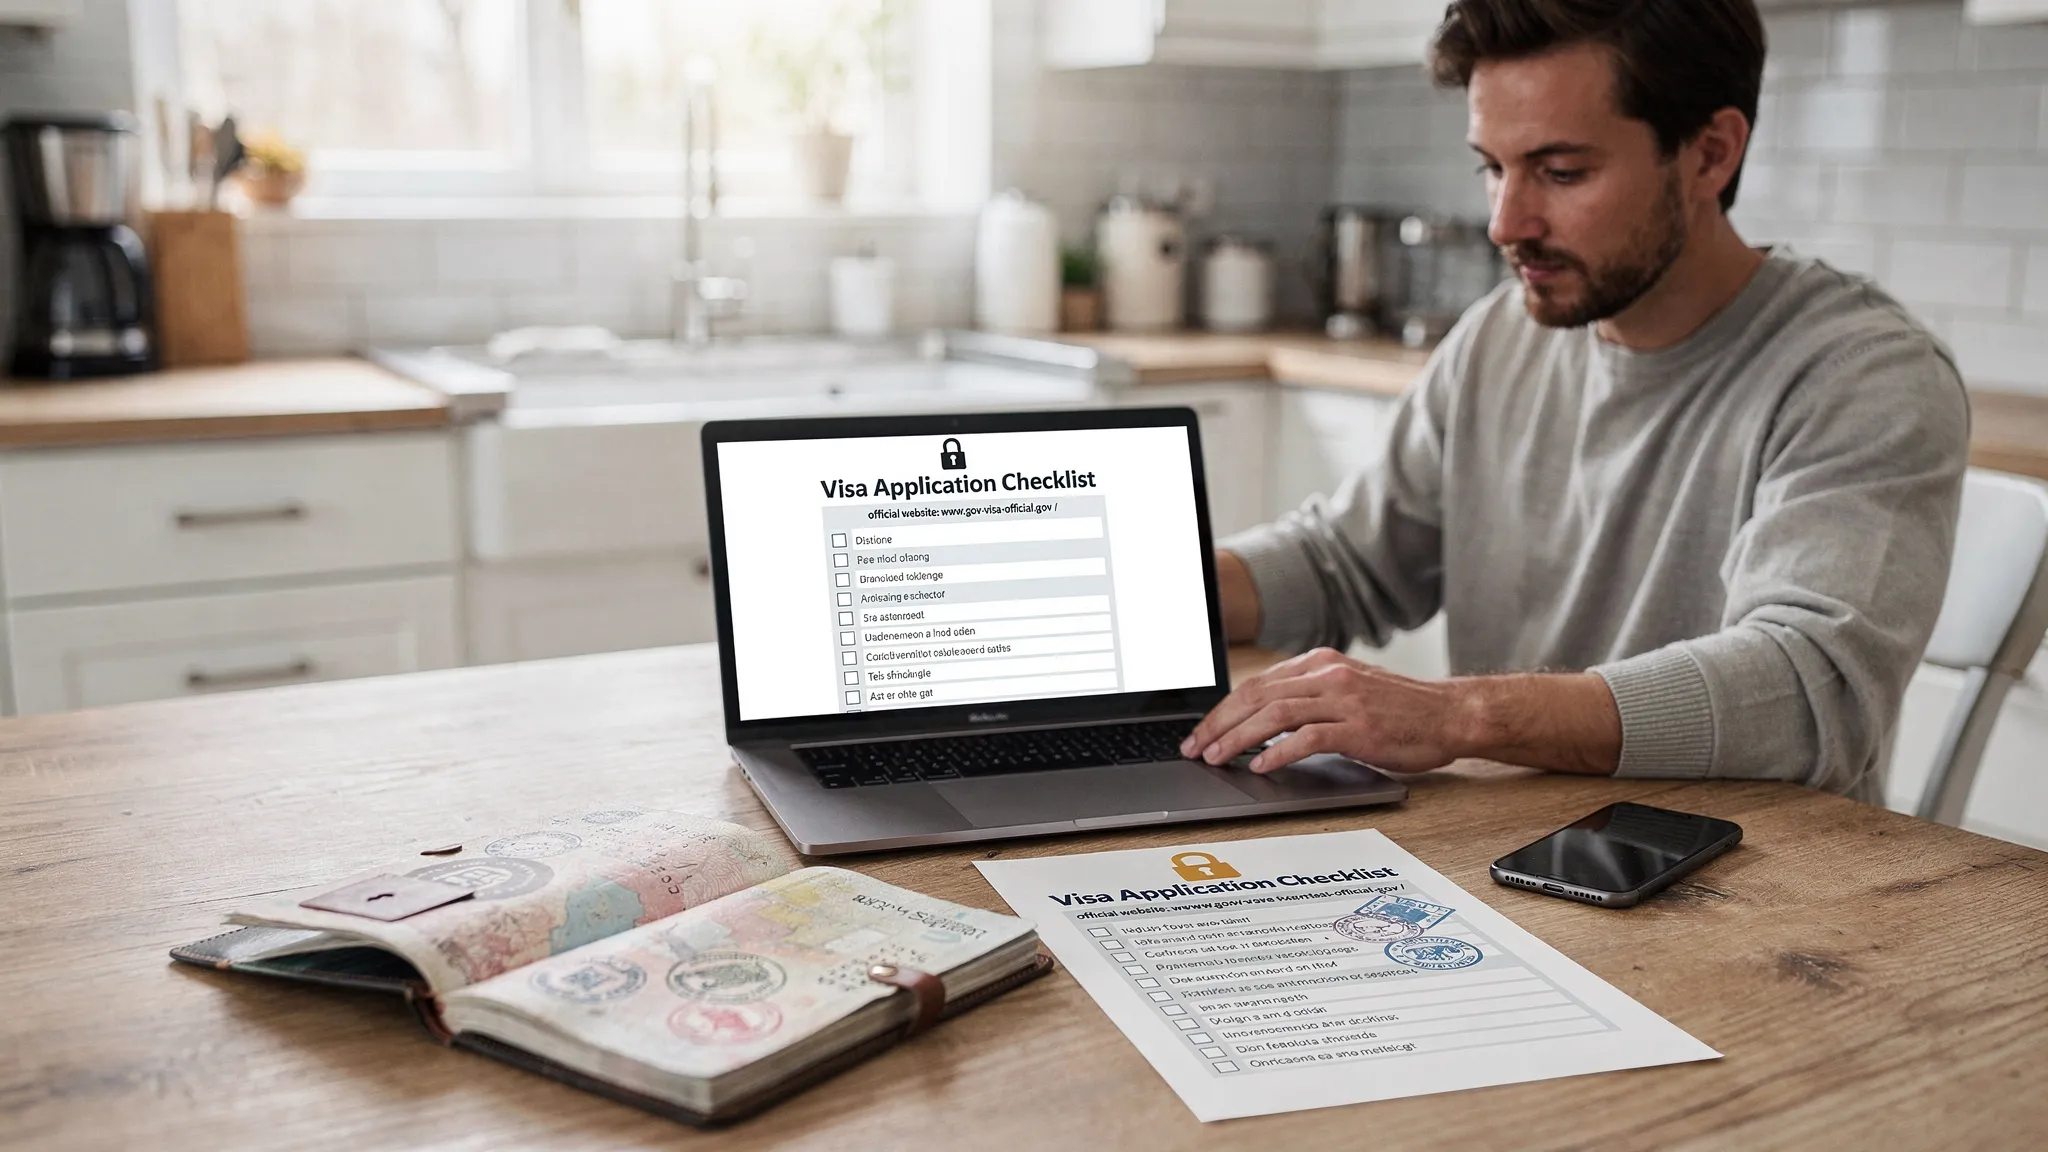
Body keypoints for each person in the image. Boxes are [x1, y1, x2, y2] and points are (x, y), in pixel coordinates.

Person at [1180, 0, 1969, 804]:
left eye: (1561, 173)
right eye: (1493, 166)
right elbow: (1345, 562)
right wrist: (1145, 596)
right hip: (1512, 852)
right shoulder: (1501, 336)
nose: (1504, 223)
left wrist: (1461, 715)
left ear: (1710, 155)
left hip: (1757, 883)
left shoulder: (1862, 373)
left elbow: (1809, 690)